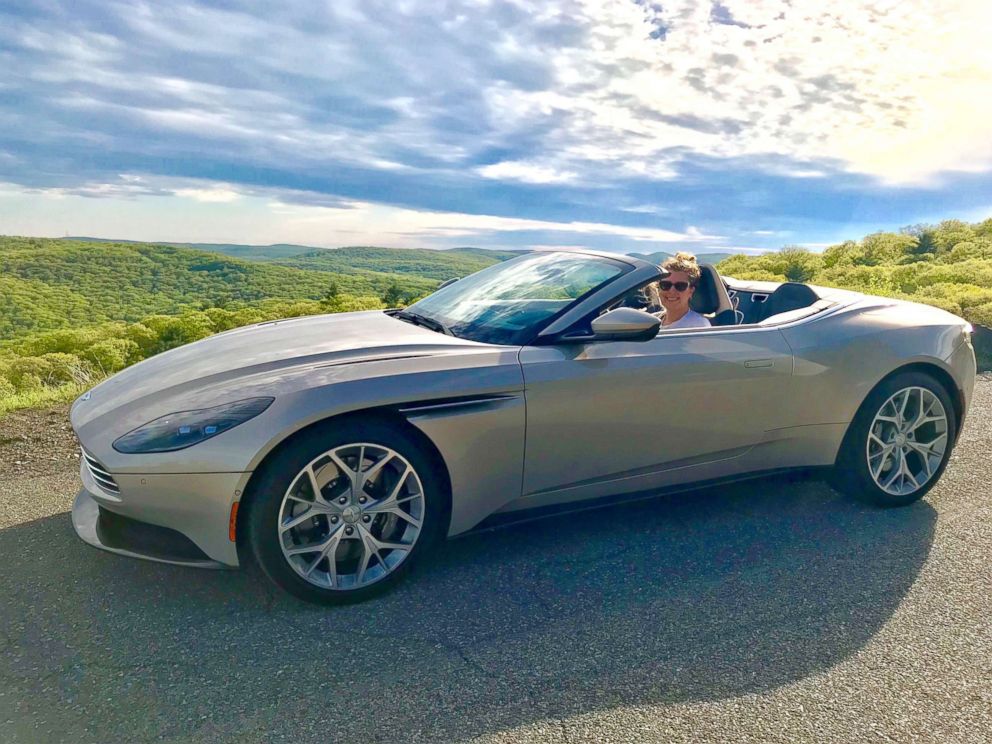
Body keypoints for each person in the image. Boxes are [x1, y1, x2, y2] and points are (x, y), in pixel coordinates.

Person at [656, 252, 710, 330]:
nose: (672, 290)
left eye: (680, 286)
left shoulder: (698, 326)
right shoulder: (652, 320)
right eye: (665, 285)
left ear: (691, 291)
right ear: (659, 288)